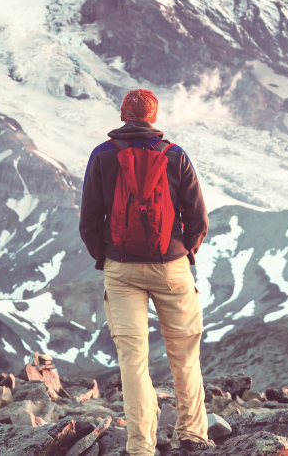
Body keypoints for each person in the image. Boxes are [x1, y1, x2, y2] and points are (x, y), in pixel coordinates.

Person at [79, 88, 210, 456]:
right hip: (172, 266)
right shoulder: (175, 155)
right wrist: (184, 254)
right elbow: (198, 218)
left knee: (133, 360)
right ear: (153, 118)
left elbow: (89, 220)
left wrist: (107, 258)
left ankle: (140, 447)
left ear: (123, 116)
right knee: (184, 354)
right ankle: (192, 434)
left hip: (121, 270)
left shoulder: (103, 156)